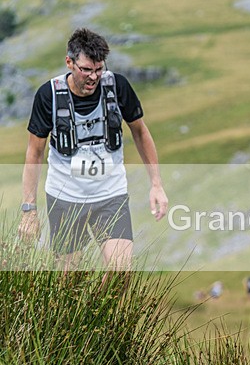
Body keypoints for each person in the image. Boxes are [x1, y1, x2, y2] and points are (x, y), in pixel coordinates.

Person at [18, 28, 168, 271]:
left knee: (121, 273)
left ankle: (103, 308)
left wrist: (156, 184)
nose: (93, 77)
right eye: (86, 69)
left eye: (99, 69)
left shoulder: (117, 86)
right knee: (68, 283)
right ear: (69, 62)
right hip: (65, 197)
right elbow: (34, 154)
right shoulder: (49, 95)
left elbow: (140, 132)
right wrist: (29, 210)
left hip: (110, 194)